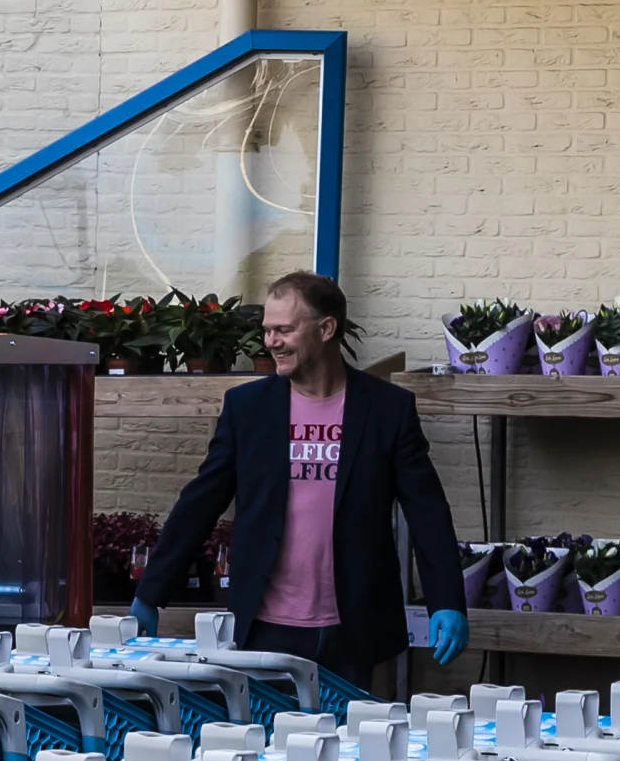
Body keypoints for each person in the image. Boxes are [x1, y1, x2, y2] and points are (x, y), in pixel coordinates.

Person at [134, 268, 469, 684]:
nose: (271, 342)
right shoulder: (247, 408)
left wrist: (446, 600)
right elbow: (200, 503)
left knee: (351, 729)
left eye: (284, 330)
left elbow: (427, 511)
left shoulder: (388, 409)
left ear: (326, 329)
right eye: (267, 330)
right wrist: (151, 591)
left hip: (354, 625)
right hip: (264, 626)